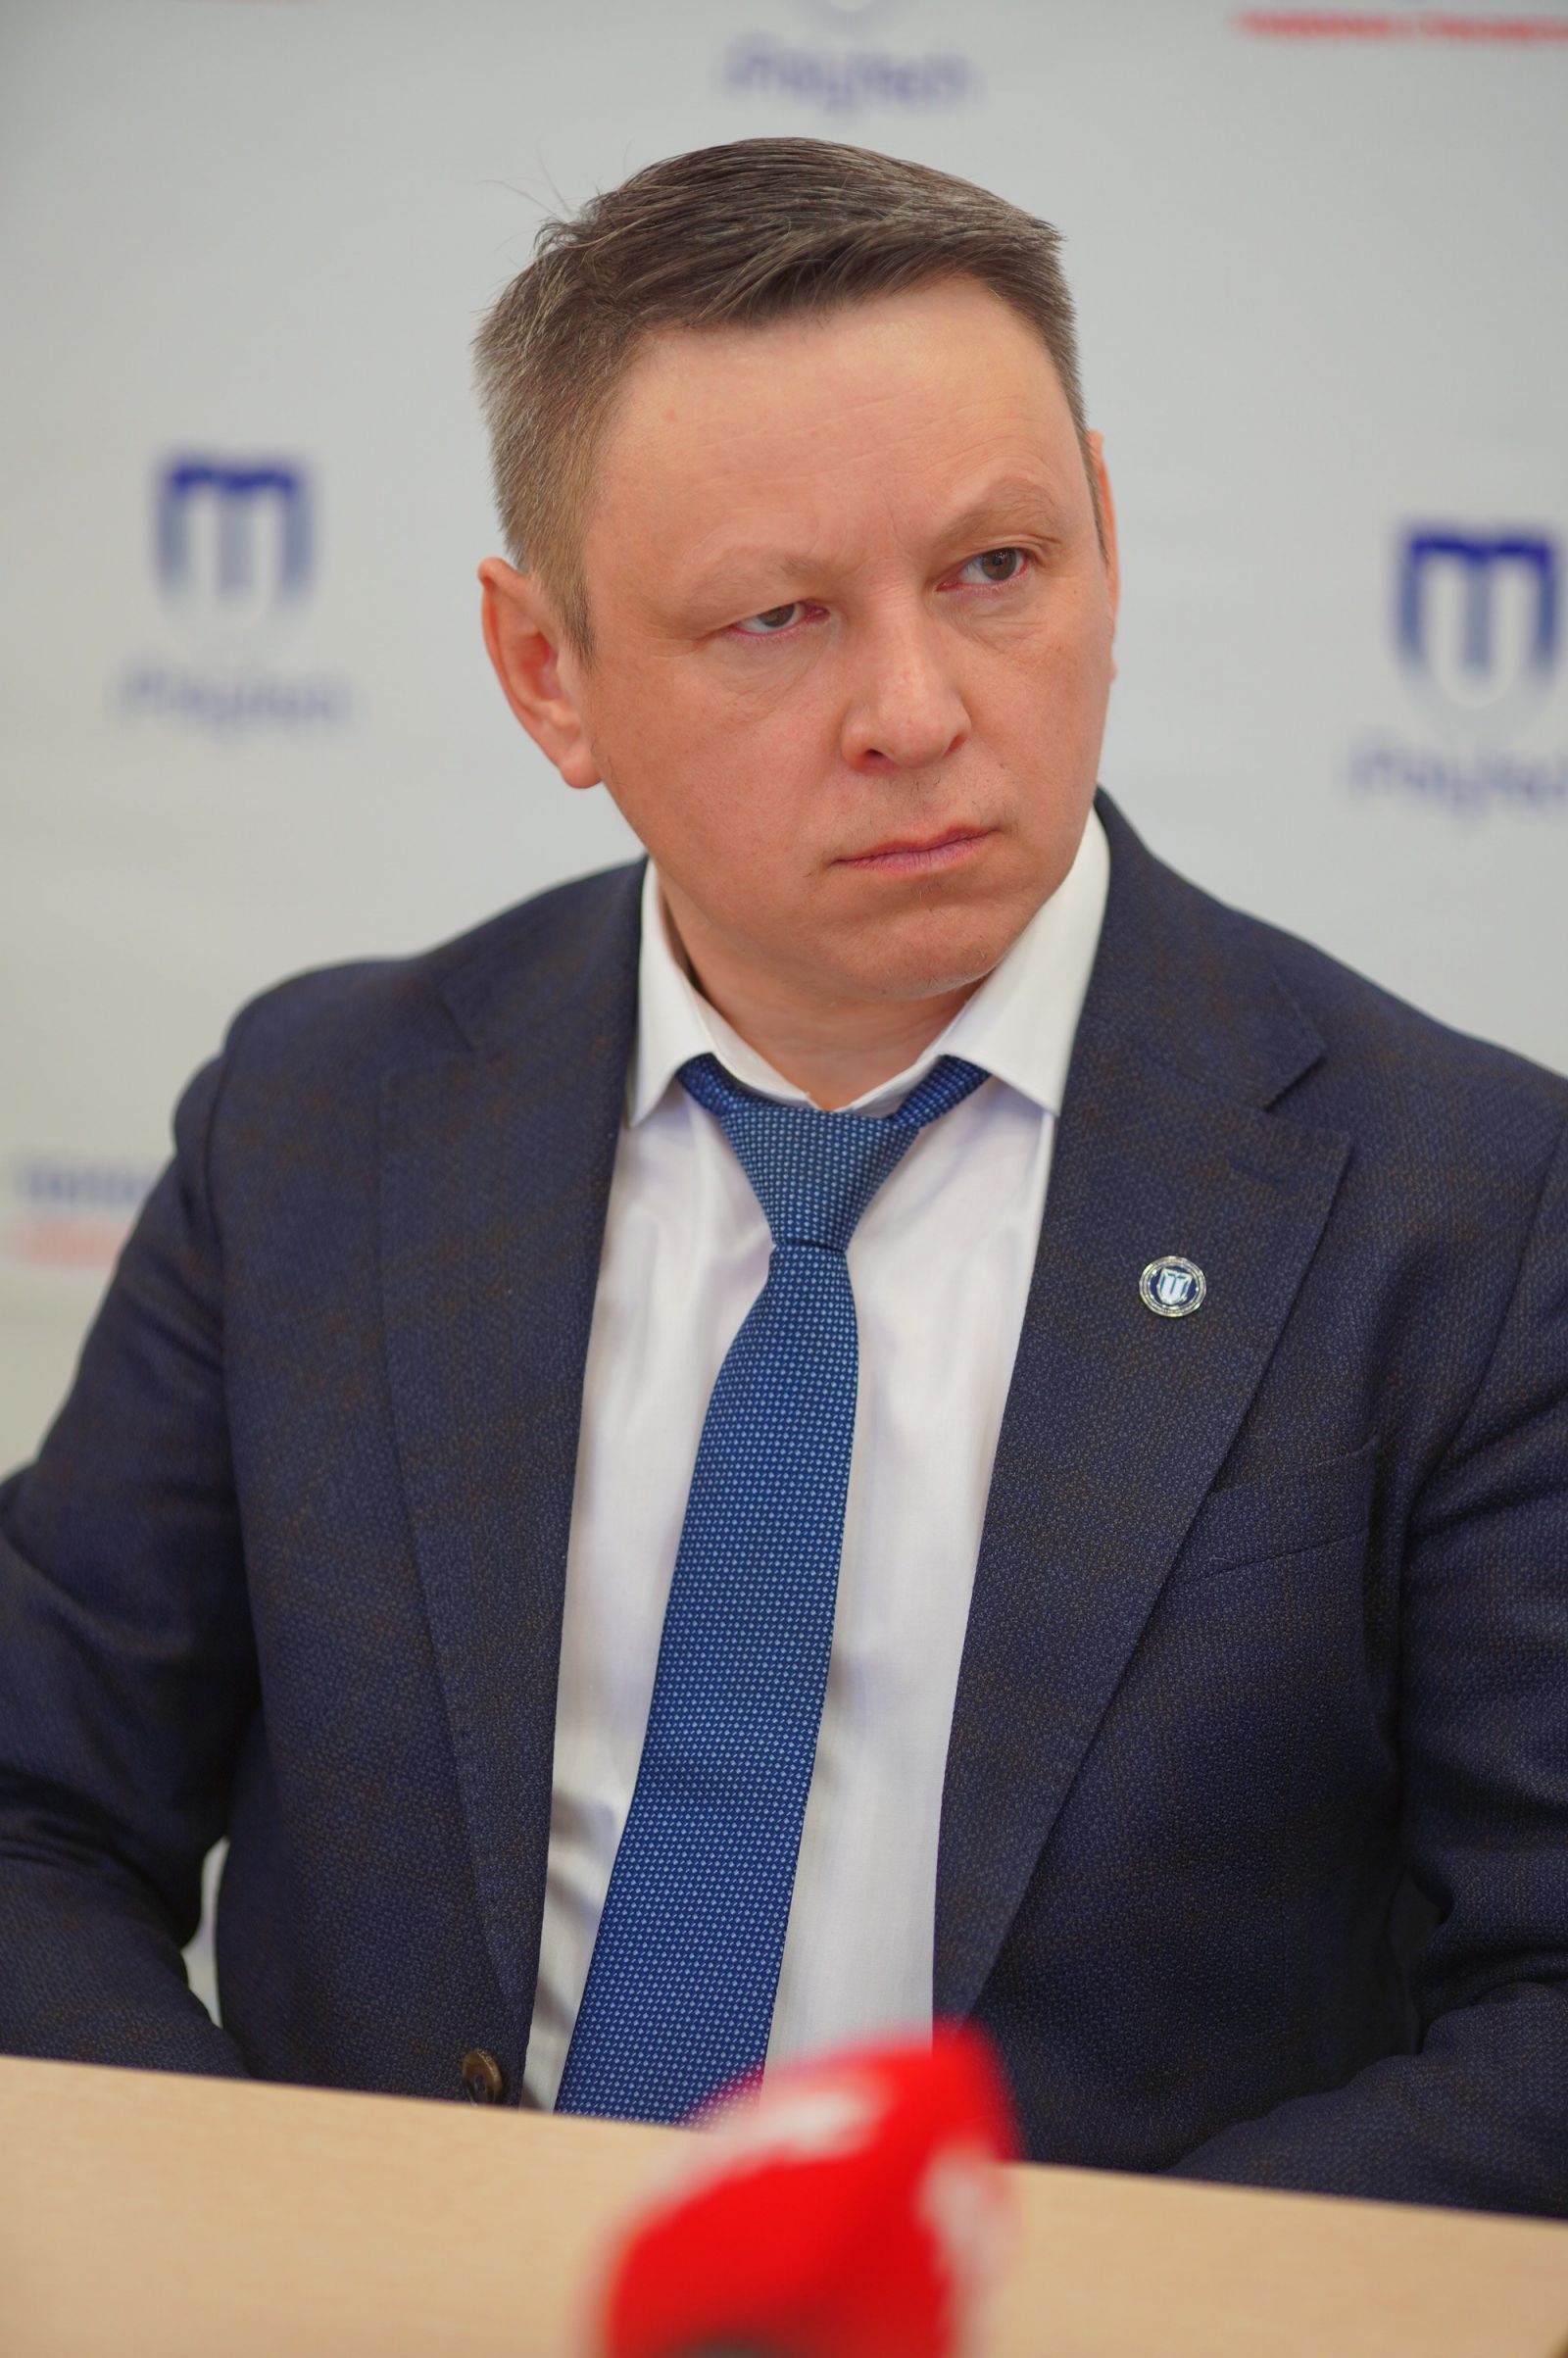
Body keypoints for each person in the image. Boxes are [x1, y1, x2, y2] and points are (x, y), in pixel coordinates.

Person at [2, 136, 1565, 2217]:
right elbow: (32, 1808)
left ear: (1105, 537)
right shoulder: (318, 1122)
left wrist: (1022, 2311)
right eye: (775, 617)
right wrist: (272, 2254)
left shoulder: (1466, 1206)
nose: (915, 712)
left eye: (995, 569)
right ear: (547, 671)